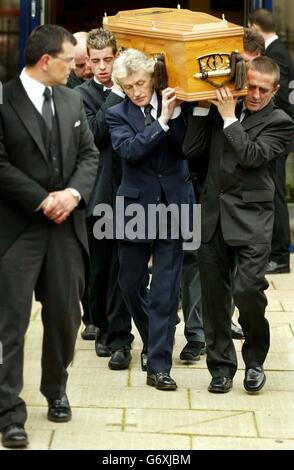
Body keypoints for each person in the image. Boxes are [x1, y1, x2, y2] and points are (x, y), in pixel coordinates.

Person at [0, 25, 98, 448]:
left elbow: (90, 154)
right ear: (46, 61)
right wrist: (43, 200)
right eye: (70, 60)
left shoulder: (72, 98)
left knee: (65, 318)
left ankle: (55, 390)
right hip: (17, 230)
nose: (79, 66)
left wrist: (72, 194)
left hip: (65, 230)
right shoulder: (3, 100)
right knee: (10, 324)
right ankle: (9, 413)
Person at [183, 56, 294, 394]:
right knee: (215, 298)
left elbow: (252, 156)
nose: (256, 94)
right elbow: (190, 150)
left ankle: (255, 360)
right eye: (252, 87)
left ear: (275, 90)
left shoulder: (281, 122)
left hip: (252, 220)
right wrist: (203, 108)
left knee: (247, 291)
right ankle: (220, 368)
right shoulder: (221, 110)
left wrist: (230, 118)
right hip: (213, 216)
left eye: (263, 89)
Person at [106, 49, 195, 391]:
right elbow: (129, 151)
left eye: (141, 83)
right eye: (128, 87)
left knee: (164, 291)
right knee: (129, 285)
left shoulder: (179, 103)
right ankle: (151, 336)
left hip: (174, 204)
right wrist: (161, 122)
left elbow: (190, 148)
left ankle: (159, 364)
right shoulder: (116, 114)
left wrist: (173, 115)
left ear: (152, 77)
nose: (136, 91)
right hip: (133, 208)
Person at [76, 28, 137, 370]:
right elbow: (95, 134)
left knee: (122, 268)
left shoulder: (133, 90)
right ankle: (97, 322)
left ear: (117, 57)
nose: (101, 67)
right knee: (99, 269)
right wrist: (114, 93)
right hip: (98, 194)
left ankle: (118, 334)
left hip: (129, 191)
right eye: (96, 61)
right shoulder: (83, 94)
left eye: (107, 60)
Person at [250, 8, 294, 274]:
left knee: (275, 194)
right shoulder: (278, 51)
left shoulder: (277, 55)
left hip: (278, 134)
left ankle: (280, 256)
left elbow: (282, 99)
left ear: (255, 27)